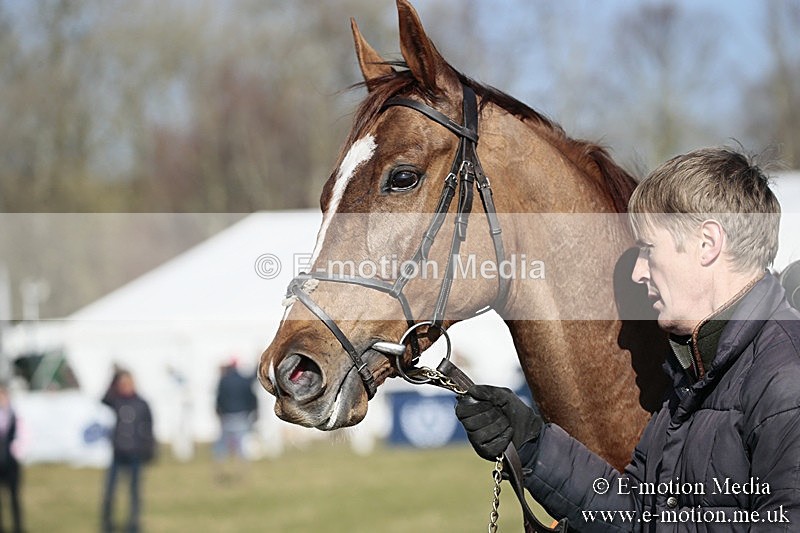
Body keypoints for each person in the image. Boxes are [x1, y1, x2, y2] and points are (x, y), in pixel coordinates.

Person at [456, 147, 800, 531]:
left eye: (648, 250)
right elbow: (634, 512)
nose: (637, 273)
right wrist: (533, 444)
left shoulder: (786, 377)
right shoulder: (693, 374)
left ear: (708, 243)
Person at [101, 369, 155, 533]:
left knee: (134, 492)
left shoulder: (141, 403)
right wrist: (113, 377)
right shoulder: (116, 401)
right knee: (110, 492)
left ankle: (133, 525)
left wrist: (149, 450)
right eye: (121, 383)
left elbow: (148, 428)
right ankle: (107, 524)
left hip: (135, 453)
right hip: (118, 452)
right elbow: (102, 399)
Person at [214, 357, 258, 480]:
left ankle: (219, 471)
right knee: (242, 447)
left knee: (221, 447)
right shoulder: (243, 380)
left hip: (227, 417)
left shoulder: (223, 380)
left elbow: (219, 399)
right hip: (241, 416)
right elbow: (251, 394)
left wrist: (219, 414)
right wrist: (252, 411)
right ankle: (243, 472)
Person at [0, 387, 22, 533]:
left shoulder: (15, 414)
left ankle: (18, 527)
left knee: (14, 497)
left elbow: (22, 436)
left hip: (11, 461)